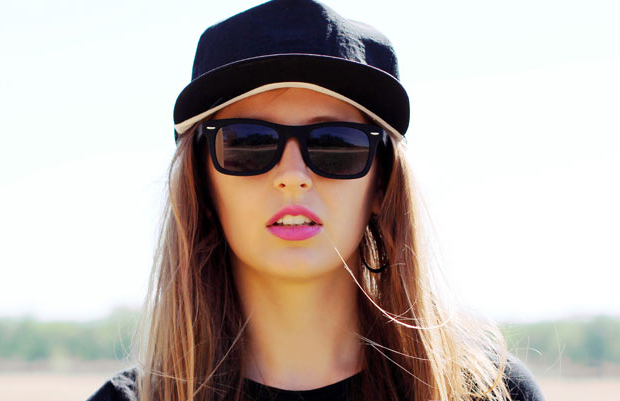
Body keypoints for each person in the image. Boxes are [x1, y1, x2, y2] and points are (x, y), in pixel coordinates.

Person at [87, 1, 547, 400]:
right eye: (247, 142)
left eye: (335, 144)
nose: (293, 176)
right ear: (202, 183)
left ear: (382, 184)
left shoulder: (487, 393)